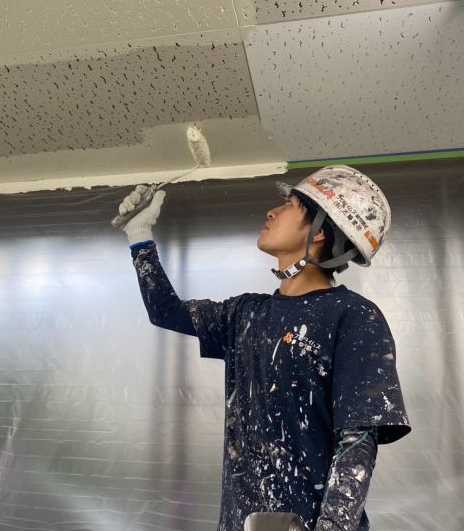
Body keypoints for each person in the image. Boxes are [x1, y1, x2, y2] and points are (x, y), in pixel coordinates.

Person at [117, 165, 411, 531]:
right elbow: (165, 311)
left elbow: (357, 441)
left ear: (319, 231)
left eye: (289, 205)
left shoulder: (353, 316)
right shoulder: (246, 314)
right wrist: (139, 236)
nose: (272, 212)